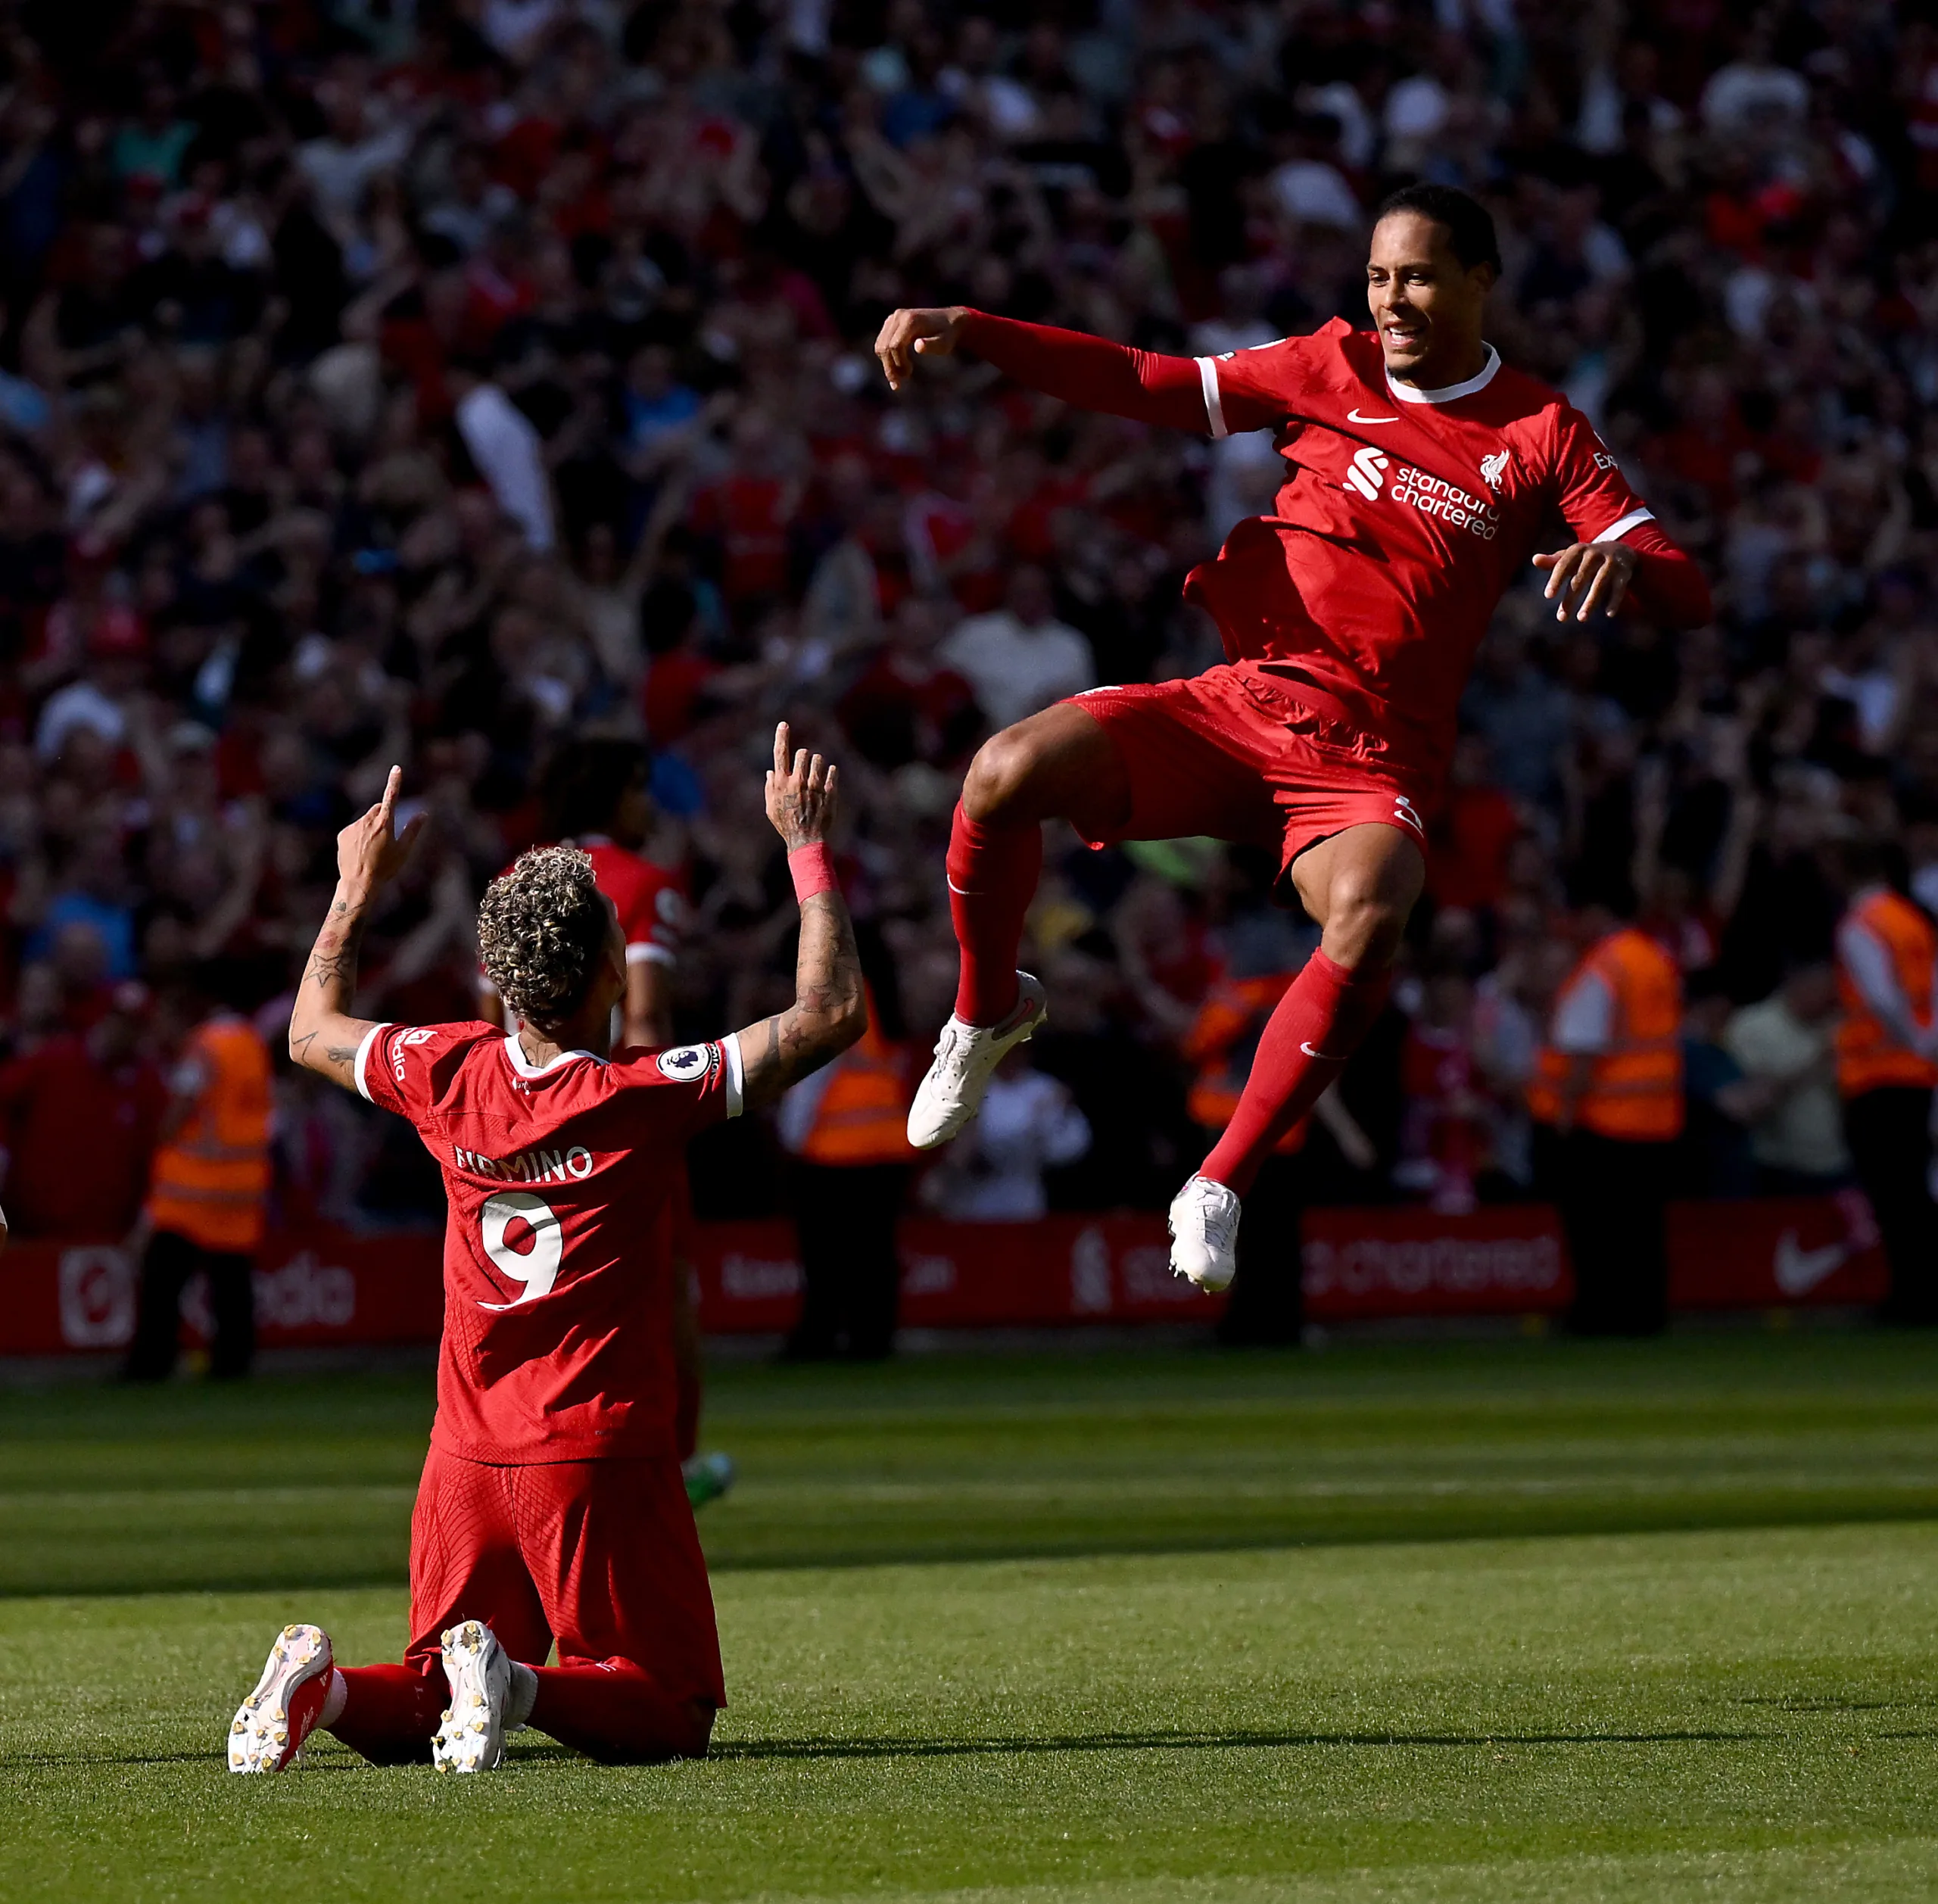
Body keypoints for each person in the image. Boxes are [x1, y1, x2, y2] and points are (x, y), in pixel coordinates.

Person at [874, 182, 1711, 1292]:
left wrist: (1630, 567)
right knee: (1004, 770)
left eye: (1415, 275)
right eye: (1376, 276)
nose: (1391, 299)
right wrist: (977, 331)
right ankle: (983, 1012)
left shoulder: (1539, 429)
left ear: (1479, 281)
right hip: (1243, 705)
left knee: (1373, 909)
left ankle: (1218, 1179)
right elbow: (1143, 380)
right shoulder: (1327, 365)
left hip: (1370, 759)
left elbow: (1689, 590)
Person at [228, 725, 864, 1775]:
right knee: (672, 1703)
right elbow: (830, 1011)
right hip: (593, 1452)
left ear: (501, 979)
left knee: (435, 1689)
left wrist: (354, 887)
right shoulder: (641, 1097)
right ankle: (518, 1682)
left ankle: (325, 1684)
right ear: (614, 965)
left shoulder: (443, 1068)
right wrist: (806, 846)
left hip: (465, 1453)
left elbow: (308, 1028)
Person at [1528, 905, 1685, 1335]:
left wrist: (1563, 1117)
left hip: (1605, 1122)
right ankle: (1647, 1315)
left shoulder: (1604, 966)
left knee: (1598, 1231)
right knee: (1643, 1229)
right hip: (1656, 1117)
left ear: (1595, 913)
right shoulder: (1655, 958)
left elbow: (1582, 1052)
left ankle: (1598, 1314)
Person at [123, 973, 273, 1382]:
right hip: (241, 1188)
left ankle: (151, 1364)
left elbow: (183, 1104)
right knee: (232, 1286)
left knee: (162, 1284)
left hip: (190, 1193)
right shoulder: (252, 1044)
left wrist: (161, 1135)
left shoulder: (203, 1047)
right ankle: (233, 1365)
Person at [776, 963, 918, 1360]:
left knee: (825, 1257)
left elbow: (813, 1075)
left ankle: (818, 1336)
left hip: (830, 1152)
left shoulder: (837, 995)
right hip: (887, 1148)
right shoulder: (889, 997)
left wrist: (791, 1138)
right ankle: (873, 1339)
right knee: (875, 1253)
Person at [1833, 840, 1938, 1323]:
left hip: (1877, 1072)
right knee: (1913, 1187)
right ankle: (1919, 1290)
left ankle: (1910, 1296)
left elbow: (1881, 997)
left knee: (1893, 1192)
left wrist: (1912, 1039)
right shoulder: (1912, 920)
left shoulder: (1862, 925)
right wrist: (1927, 1042)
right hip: (1917, 1073)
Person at [0, 980, 164, 1237]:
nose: (120, 1030)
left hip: (105, 1235)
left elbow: (155, 1154)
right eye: (116, 1019)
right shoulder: (55, 1059)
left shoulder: (147, 1085)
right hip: (32, 1226)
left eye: (132, 1025)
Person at [1722, 961, 1849, 1195]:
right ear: (1795, 981)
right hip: (1779, 1169)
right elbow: (1753, 1100)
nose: (1830, 995)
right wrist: (1817, 1060)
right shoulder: (1752, 1026)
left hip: (1839, 1166)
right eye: (1822, 986)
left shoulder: (1841, 1024)